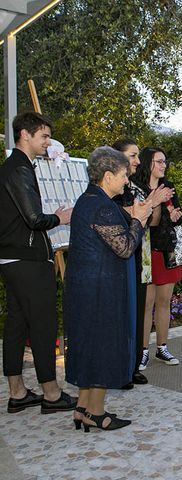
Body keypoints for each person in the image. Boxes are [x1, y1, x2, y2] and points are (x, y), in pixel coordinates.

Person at [64, 146, 152, 431]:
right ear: (107, 175)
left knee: (89, 346)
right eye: (124, 175)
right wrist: (139, 220)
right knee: (101, 346)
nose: (127, 181)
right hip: (99, 290)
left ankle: (82, 407)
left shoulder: (87, 200)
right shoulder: (102, 206)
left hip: (85, 288)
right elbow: (125, 247)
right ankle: (96, 413)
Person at [0, 112, 77, 414]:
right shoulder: (18, 170)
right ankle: (51, 393)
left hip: (14, 256)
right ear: (25, 135)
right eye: (44, 136)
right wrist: (60, 217)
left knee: (17, 323)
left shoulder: (16, 167)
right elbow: (33, 219)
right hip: (28, 258)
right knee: (43, 324)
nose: (48, 142)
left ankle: (17, 392)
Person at [112, 139, 173, 389]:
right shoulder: (114, 187)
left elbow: (152, 221)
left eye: (138, 156)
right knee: (132, 309)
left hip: (140, 255)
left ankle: (134, 363)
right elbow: (124, 215)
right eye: (132, 156)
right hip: (121, 256)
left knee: (138, 308)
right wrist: (152, 201)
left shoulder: (136, 189)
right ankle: (125, 364)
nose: (136, 161)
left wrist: (154, 203)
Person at [131, 147, 182, 369]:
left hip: (166, 251)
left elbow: (178, 217)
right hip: (145, 252)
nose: (163, 165)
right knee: (146, 304)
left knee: (164, 302)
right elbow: (144, 221)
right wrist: (156, 203)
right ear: (148, 163)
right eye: (159, 162)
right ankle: (142, 351)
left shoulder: (169, 187)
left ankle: (162, 348)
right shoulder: (136, 188)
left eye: (165, 161)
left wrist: (175, 216)